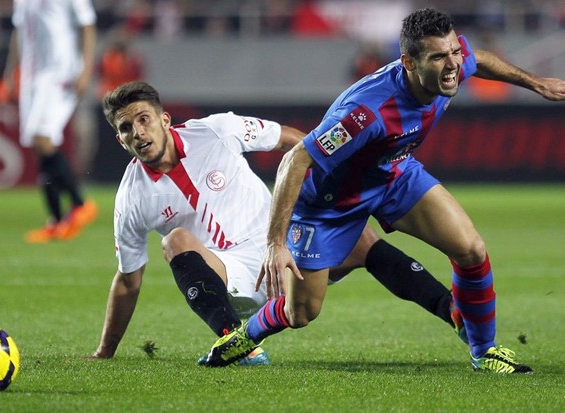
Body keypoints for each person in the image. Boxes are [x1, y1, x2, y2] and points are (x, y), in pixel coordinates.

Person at [202, 8, 565, 372]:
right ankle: (243, 337)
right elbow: (295, 161)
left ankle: (484, 351)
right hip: (330, 204)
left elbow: (478, 59)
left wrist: (536, 83)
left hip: (392, 175)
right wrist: (275, 244)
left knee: (470, 249)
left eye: (454, 51)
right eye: (439, 57)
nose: (453, 64)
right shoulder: (365, 113)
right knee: (301, 311)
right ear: (408, 61)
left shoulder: (450, 64)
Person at [89, 81, 466, 365]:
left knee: (361, 239)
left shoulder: (217, 130)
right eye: (125, 128)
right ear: (120, 140)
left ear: (164, 119)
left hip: (283, 245)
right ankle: (237, 342)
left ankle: (454, 312)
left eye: (143, 120)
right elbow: (128, 279)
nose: (138, 133)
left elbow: (291, 141)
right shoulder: (131, 197)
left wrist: (332, 176)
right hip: (232, 277)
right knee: (175, 240)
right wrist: (105, 350)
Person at [2, 0, 99, 243]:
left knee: (43, 138)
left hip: (60, 72)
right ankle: (57, 221)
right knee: (38, 145)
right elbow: (19, 31)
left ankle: (80, 204)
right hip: (32, 76)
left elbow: (87, 25)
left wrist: (86, 71)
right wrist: (10, 72)